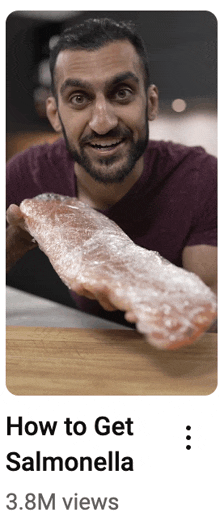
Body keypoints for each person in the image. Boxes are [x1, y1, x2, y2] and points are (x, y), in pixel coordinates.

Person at [6, 18, 217, 325]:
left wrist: (166, 307)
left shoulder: (200, 177)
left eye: (122, 93)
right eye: (79, 98)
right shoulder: (30, 171)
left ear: (151, 103)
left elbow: (209, 308)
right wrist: (13, 244)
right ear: (55, 114)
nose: (102, 123)